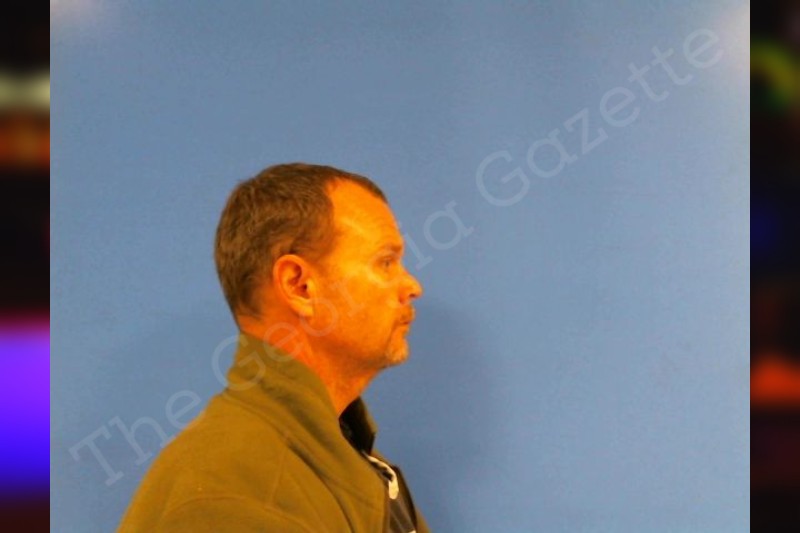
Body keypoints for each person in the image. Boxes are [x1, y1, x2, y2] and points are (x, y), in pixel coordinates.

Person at [119, 163, 429, 532]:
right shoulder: (241, 492)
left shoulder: (335, 464)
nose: (411, 286)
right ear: (300, 286)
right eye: (385, 262)